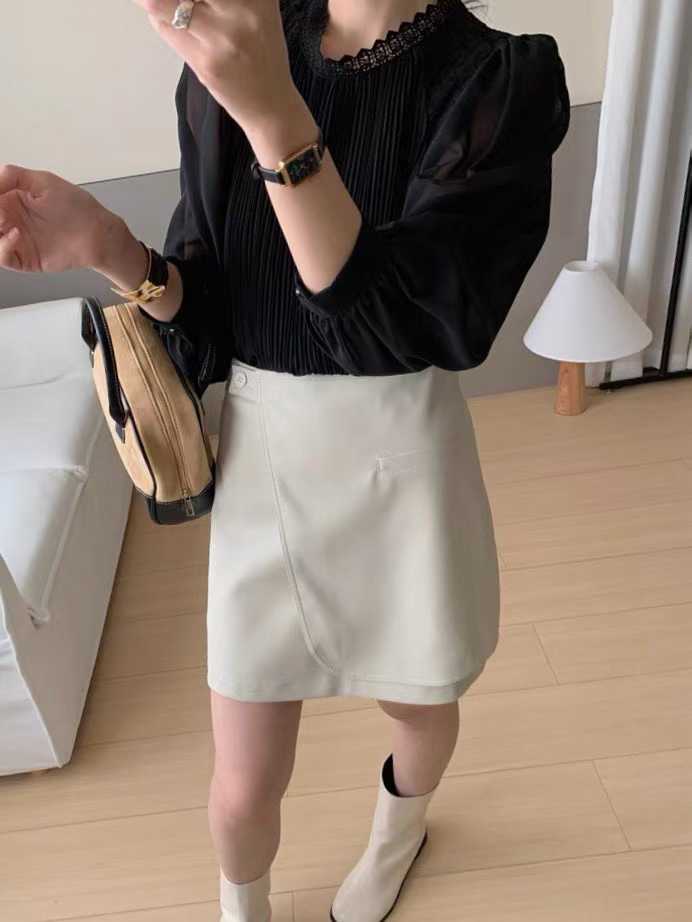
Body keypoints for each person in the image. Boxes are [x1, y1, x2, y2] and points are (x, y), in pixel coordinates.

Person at [0, 1, 571, 919]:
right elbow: (212, 311)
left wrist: (277, 120)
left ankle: (397, 836)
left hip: (400, 460)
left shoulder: (497, 79)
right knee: (240, 786)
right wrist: (107, 245)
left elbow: (419, 325)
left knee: (419, 705)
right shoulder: (244, 52)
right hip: (264, 462)